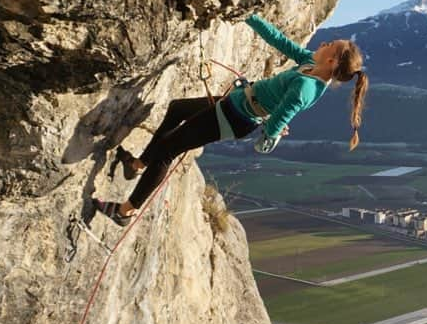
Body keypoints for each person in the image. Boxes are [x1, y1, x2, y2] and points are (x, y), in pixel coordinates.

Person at [93, 14, 368, 226]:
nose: (324, 43)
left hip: (232, 118)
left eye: (330, 44)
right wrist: (249, 16)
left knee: (168, 150)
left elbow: (274, 126)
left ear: (332, 61)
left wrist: (272, 133)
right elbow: (280, 42)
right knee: (177, 109)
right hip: (232, 106)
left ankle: (125, 211)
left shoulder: (306, 87)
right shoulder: (309, 63)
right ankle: (138, 164)